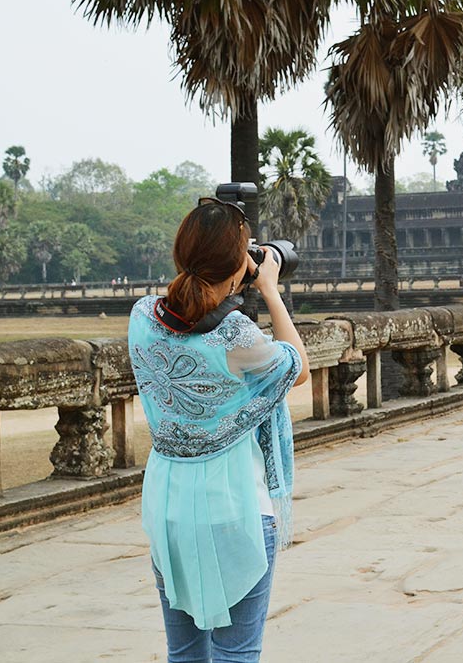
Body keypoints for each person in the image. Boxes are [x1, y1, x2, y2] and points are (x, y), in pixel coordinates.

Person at [128, 198, 311, 660]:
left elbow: (186, 314)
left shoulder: (142, 317)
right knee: (237, 654)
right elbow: (298, 367)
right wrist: (269, 289)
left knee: (184, 653)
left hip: (168, 503)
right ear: (237, 267)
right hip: (236, 503)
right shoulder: (236, 336)